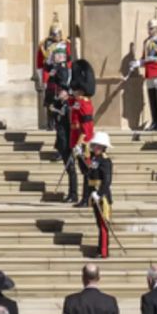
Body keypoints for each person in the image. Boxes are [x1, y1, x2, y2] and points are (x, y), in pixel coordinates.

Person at [130, 11, 157, 131]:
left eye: (151, 28)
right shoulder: (147, 42)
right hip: (149, 73)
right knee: (152, 98)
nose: (149, 30)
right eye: (148, 28)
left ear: (156, 28)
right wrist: (138, 63)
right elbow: (145, 58)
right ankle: (154, 121)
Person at [78, 132, 114, 258]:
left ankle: (103, 251)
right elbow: (86, 171)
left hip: (102, 196)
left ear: (102, 146)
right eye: (93, 145)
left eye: (95, 145)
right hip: (94, 194)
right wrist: (80, 157)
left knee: (103, 225)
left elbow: (107, 180)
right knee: (99, 224)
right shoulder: (95, 159)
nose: (93, 147)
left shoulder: (105, 161)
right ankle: (100, 248)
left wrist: (99, 194)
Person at [36, 13, 73, 130]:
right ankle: (50, 124)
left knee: (63, 98)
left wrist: (69, 75)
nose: (56, 35)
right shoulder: (44, 44)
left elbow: (69, 60)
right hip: (50, 74)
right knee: (50, 100)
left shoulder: (66, 43)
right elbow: (40, 63)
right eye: (54, 33)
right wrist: (42, 79)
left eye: (57, 33)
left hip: (62, 74)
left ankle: (62, 122)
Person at [69, 60, 95, 207]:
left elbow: (85, 129)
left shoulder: (85, 104)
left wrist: (78, 145)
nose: (75, 92)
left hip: (84, 143)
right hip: (77, 142)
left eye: (77, 90)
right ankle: (86, 198)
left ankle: (86, 199)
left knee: (86, 172)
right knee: (84, 171)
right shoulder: (78, 102)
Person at [48, 72, 77, 202]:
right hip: (62, 141)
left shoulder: (68, 105)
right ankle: (72, 194)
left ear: (66, 93)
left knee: (71, 169)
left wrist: (56, 110)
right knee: (69, 168)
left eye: (61, 91)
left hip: (68, 141)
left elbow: (68, 119)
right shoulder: (60, 104)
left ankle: (74, 194)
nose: (58, 92)